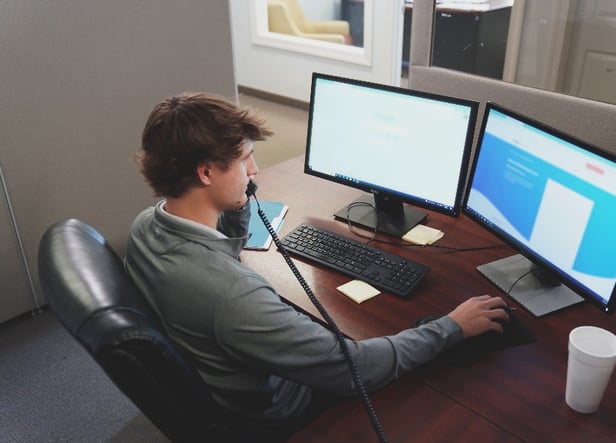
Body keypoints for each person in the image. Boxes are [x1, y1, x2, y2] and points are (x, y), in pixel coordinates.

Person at [124, 92, 510, 441]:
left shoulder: (145, 227)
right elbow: (354, 369)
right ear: (205, 173)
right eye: (244, 160)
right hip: (277, 412)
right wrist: (452, 327)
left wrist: (237, 203)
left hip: (219, 382)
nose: (255, 170)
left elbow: (220, 260)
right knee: (437, 381)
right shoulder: (233, 295)